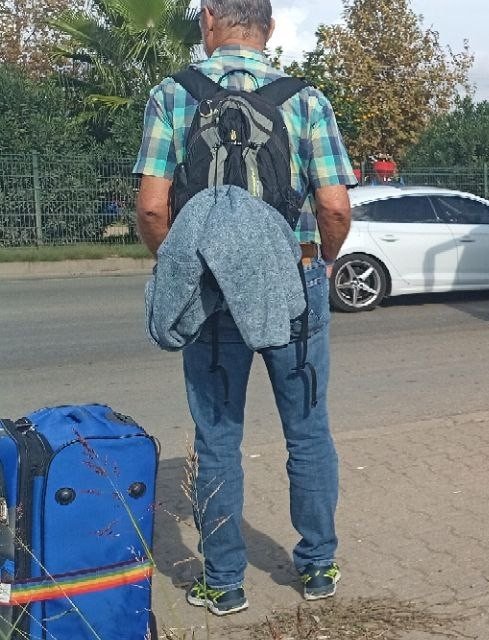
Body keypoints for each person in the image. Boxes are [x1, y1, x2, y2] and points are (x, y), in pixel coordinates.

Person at [133, 0, 355, 616]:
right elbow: (336, 207)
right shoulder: (306, 99)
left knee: (217, 438)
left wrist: (176, 262)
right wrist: (320, 262)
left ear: (208, 21)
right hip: (293, 285)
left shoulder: (171, 95)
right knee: (308, 432)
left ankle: (224, 583)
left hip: (210, 292)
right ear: (269, 29)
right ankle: (317, 569)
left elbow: (153, 207)